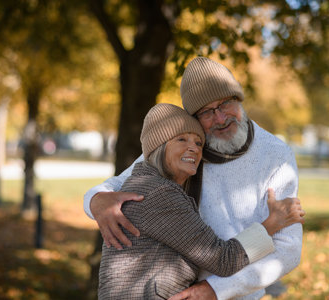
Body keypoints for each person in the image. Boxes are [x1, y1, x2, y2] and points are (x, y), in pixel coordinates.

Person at [84, 56, 304, 300]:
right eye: (206, 112)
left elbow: (288, 249)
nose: (220, 118)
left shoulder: (275, 154)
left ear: (238, 99)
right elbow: (119, 185)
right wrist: (96, 200)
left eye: (225, 104)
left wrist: (216, 290)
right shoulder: (182, 149)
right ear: (194, 120)